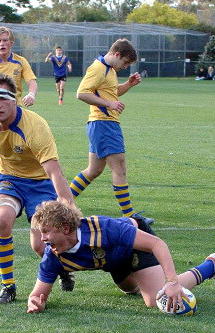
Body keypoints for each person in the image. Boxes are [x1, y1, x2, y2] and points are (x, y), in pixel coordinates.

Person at [26, 200, 215, 314]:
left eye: (46, 231)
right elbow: (37, 294)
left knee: (155, 299)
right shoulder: (53, 256)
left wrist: (172, 281)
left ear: (65, 228)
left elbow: (158, 245)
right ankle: (150, 280)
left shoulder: (104, 229)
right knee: (130, 290)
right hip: (113, 261)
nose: (42, 238)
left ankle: (211, 265)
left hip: (133, 248)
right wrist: (36, 303)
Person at [0, 73, 75, 305]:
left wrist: (67, 206)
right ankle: (8, 286)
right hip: (9, 179)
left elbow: (54, 171)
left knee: (40, 246)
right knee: (1, 219)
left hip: (41, 183)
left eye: (2, 98)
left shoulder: (35, 126)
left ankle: (62, 270)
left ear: (15, 99)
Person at [69, 39, 149, 222]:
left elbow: (111, 93)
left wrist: (128, 85)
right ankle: (130, 216)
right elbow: (81, 93)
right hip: (104, 124)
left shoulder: (110, 70)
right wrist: (109, 104)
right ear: (117, 54)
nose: (125, 66)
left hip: (101, 124)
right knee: (119, 168)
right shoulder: (98, 68)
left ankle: (63, 202)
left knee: (94, 170)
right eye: (125, 63)